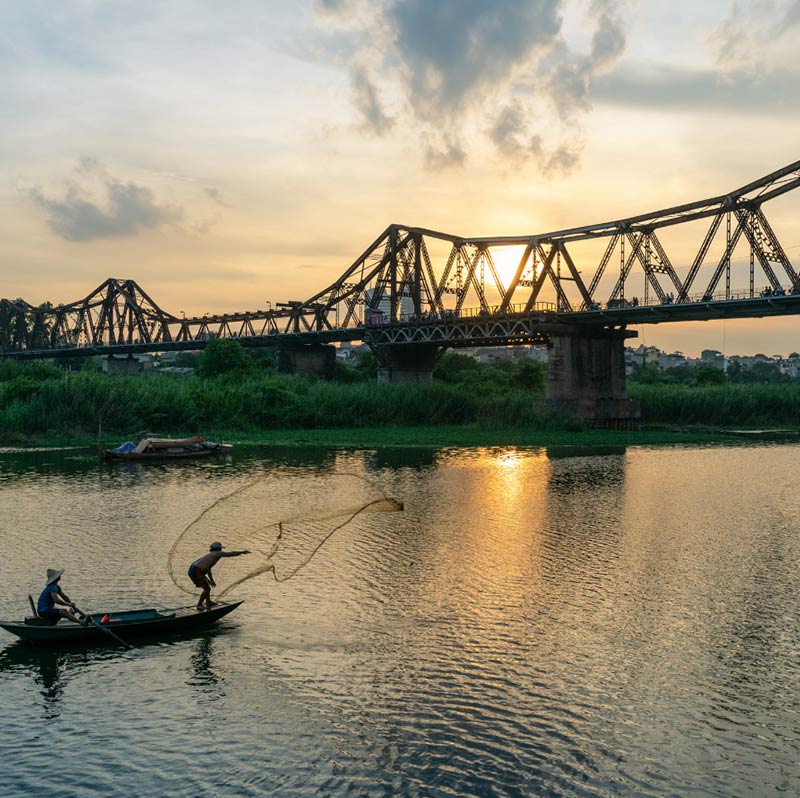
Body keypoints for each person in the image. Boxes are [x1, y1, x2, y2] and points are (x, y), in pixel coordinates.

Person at [188, 542, 250, 610]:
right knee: (207, 589)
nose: (221, 550)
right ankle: (199, 605)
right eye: (220, 548)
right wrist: (242, 552)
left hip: (195, 569)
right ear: (218, 548)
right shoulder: (218, 553)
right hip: (196, 570)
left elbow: (208, 569)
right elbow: (230, 554)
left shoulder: (211, 555)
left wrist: (211, 580)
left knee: (207, 588)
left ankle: (208, 601)